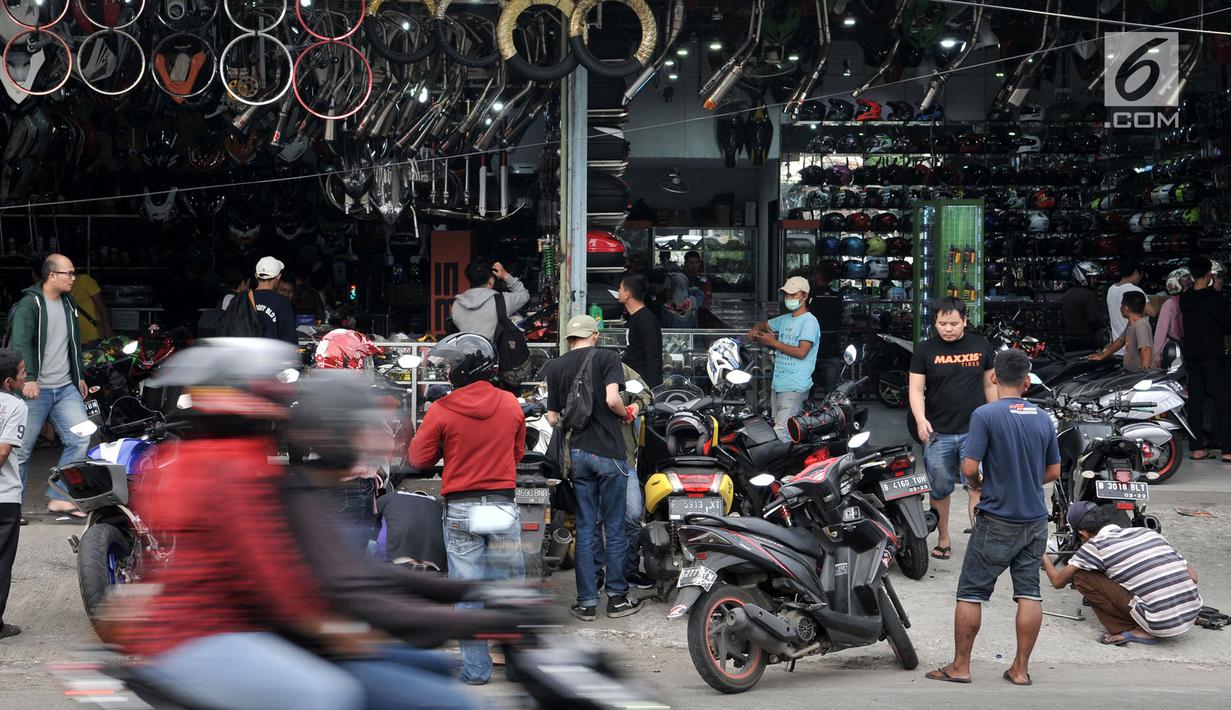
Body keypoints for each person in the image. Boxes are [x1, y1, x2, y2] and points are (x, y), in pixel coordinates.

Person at [109, 340, 374, 710]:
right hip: (204, 635)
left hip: (201, 629)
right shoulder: (238, 467)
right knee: (330, 695)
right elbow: (269, 569)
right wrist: (326, 625)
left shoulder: (186, 457)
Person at [926, 349, 1060, 686]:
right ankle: (1020, 669)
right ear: (1027, 381)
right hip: (1034, 520)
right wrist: (1027, 480)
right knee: (1029, 592)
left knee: (971, 592)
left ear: (994, 378)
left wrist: (977, 484)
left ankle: (960, 666)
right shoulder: (1043, 418)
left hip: (997, 518)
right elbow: (1054, 470)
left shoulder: (985, 415)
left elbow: (969, 467)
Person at [408, 333, 526, 686]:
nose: (445, 374)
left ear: (461, 370)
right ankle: (520, 670)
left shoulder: (443, 409)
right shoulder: (510, 404)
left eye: (448, 367)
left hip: (461, 509)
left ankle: (476, 671)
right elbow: (517, 454)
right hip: (502, 506)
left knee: (468, 595)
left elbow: (418, 459)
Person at [542, 315, 642, 622]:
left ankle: (586, 602)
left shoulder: (556, 367)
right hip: (610, 454)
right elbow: (613, 398)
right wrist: (624, 412)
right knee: (614, 527)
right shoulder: (607, 357)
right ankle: (616, 599)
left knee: (586, 528)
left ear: (570, 339)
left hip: (579, 455)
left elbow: (552, 417)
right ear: (594, 335)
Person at [909, 297, 997, 561]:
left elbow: (990, 386)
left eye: (953, 323)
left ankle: (980, 544)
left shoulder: (981, 346)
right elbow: (915, 389)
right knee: (939, 488)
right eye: (942, 323)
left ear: (965, 321)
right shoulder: (924, 350)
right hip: (938, 433)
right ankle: (943, 537)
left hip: (976, 431)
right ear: (934, 322)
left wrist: (997, 418)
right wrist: (920, 419)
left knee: (978, 486)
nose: (947, 328)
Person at [1042, 503, 1202, 646]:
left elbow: (1057, 581)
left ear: (1082, 534)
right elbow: (1193, 577)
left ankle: (1132, 629)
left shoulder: (1094, 546)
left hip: (1159, 624)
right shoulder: (1148, 533)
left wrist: (1043, 554)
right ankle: (1171, 609)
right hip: (1190, 614)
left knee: (1081, 576)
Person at [9, 254, 90, 518]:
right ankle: (12, 508)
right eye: (69, 273)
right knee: (20, 451)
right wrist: (29, 378)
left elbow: (73, 344)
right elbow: (20, 343)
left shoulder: (69, 303)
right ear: (52, 275)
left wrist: (78, 375)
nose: (74, 278)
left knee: (81, 438)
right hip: (37, 389)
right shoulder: (29, 304)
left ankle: (59, 498)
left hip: (65, 386)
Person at [748, 276, 821, 442]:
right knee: (779, 428)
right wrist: (754, 330)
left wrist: (774, 342)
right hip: (779, 384)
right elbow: (762, 325)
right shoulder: (786, 319)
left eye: (793, 295)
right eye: (786, 295)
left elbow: (802, 352)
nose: (789, 298)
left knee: (782, 433)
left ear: (805, 296)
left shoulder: (810, 322)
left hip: (795, 386)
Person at [1179, 256, 1231, 460]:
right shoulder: (1214, 299)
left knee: (1195, 402)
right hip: (1213, 356)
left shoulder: (1185, 299)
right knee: (1223, 401)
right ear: (1210, 272)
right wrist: (1218, 293)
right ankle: (1227, 450)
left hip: (1192, 356)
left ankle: (1197, 447)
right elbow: (1227, 325)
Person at [0, 349, 28, 640]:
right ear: (8, 381)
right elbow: (3, 451)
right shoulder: (15, 405)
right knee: (1, 561)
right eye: (22, 373)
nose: (26, 376)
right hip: (4, 498)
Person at [451, 260, 529, 341]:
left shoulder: (457, 304)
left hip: (464, 351)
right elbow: (524, 294)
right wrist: (505, 275)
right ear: (491, 281)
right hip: (494, 353)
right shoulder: (501, 301)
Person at [618, 272, 663, 388]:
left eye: (620, 289)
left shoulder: (646, 319)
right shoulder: (634, 317)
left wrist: (651, 389)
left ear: (627, 294)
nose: (618, 292)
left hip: (643, 383)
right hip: (633, 381)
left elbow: (653, 356)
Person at [1088, 291, 1152, 370]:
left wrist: (1145, 374)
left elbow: (1146, 349)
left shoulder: (1141, 325)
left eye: (1121, 305)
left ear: (1126, 308)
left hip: (1138, 375)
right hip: (1131, 373)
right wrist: (1102, 356)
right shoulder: (1131, 324)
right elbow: (1120, 341)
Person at [808, 264, 844, 396]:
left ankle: (807, 412)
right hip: (832, 344)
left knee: (808, 386)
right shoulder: (837, 296)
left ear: (818, 276)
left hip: (812, 344)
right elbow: (841, 317)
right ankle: (829, 413)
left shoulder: (811, 296)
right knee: (831, 389)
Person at [252, 257, 297, 343]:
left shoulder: (240, 300)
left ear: (256, 275)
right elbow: (289, 340)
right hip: (273, 355)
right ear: (278, 277)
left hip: (244, 354)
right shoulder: (283, 302)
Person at [1152, 267, 1192, 368]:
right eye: (1186, 280)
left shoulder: (1192, 301)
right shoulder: (1169, 305)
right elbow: (1160, 333)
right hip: (1177, 351)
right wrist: (1157, 356)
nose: (1190, 282)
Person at [1062, 261, 1104, 353]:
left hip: (1069, 341)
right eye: (1093, 277)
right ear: (1083, 277)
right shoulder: (1089, 295)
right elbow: (1093, 319)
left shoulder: (1067, 294)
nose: (1096, 281)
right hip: (1086, 341)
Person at [1106, 258, 1145, 356]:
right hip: (1133, 352)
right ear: (1136, 272)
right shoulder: (1134, 289)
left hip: (1117, 350)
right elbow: (1152, 311)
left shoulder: (1111, 289)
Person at [70, 270, 113, 347]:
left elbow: (101, 305)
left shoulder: (84, 280)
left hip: (92, 335)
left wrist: (107, 326)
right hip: (73, 337)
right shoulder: (60, 287)